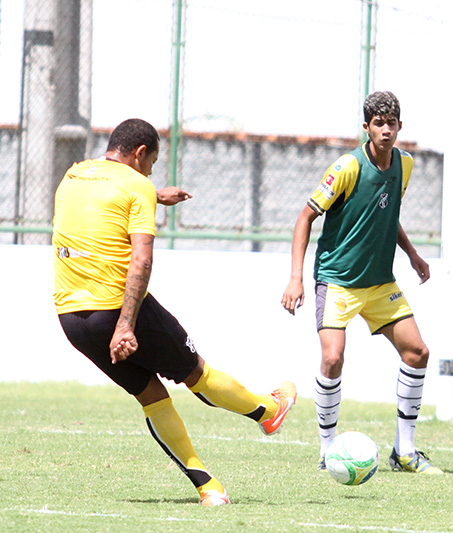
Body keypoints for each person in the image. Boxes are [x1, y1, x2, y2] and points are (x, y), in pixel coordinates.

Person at [53, 118, 297, 506]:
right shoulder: (136, 185)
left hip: (73, 320)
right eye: (152, 162)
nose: (151, 172)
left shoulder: (74, 175)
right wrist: (126, 325)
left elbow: (108, 199)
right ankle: (267, 411)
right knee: (196, 374)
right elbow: (141, 261)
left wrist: (152, 195)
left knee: (151, 394)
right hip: (116, 310)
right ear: (139, 153)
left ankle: (209, 488)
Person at [281, 91, 442, 474]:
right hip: (337, 280)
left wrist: (412, 253)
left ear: (400, 126)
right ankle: (327, 450)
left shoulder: (405, 164)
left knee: (417, 352)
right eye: (379, 123)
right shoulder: (347, 167)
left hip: (379, 282)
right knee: (332, 358)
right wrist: (295, 278)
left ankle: (405, 451)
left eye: (392, 123)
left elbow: (385, 212)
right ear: (366, 127)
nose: (386, 130)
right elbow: (305, 217)